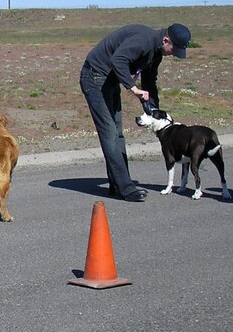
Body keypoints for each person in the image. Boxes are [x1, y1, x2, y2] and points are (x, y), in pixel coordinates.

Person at [80, 23, 191, 202]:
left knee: (117, 133)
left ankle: (118, 183)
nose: (173, 54)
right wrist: (133, 88)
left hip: (109, 80)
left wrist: (153, 109)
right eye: (173, 49)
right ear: (166, 40)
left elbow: (149, 81)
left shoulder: (156, 53)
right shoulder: (144, 41)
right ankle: (125, 188)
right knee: (109, 133)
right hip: (94, 77)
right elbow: (118, 60)